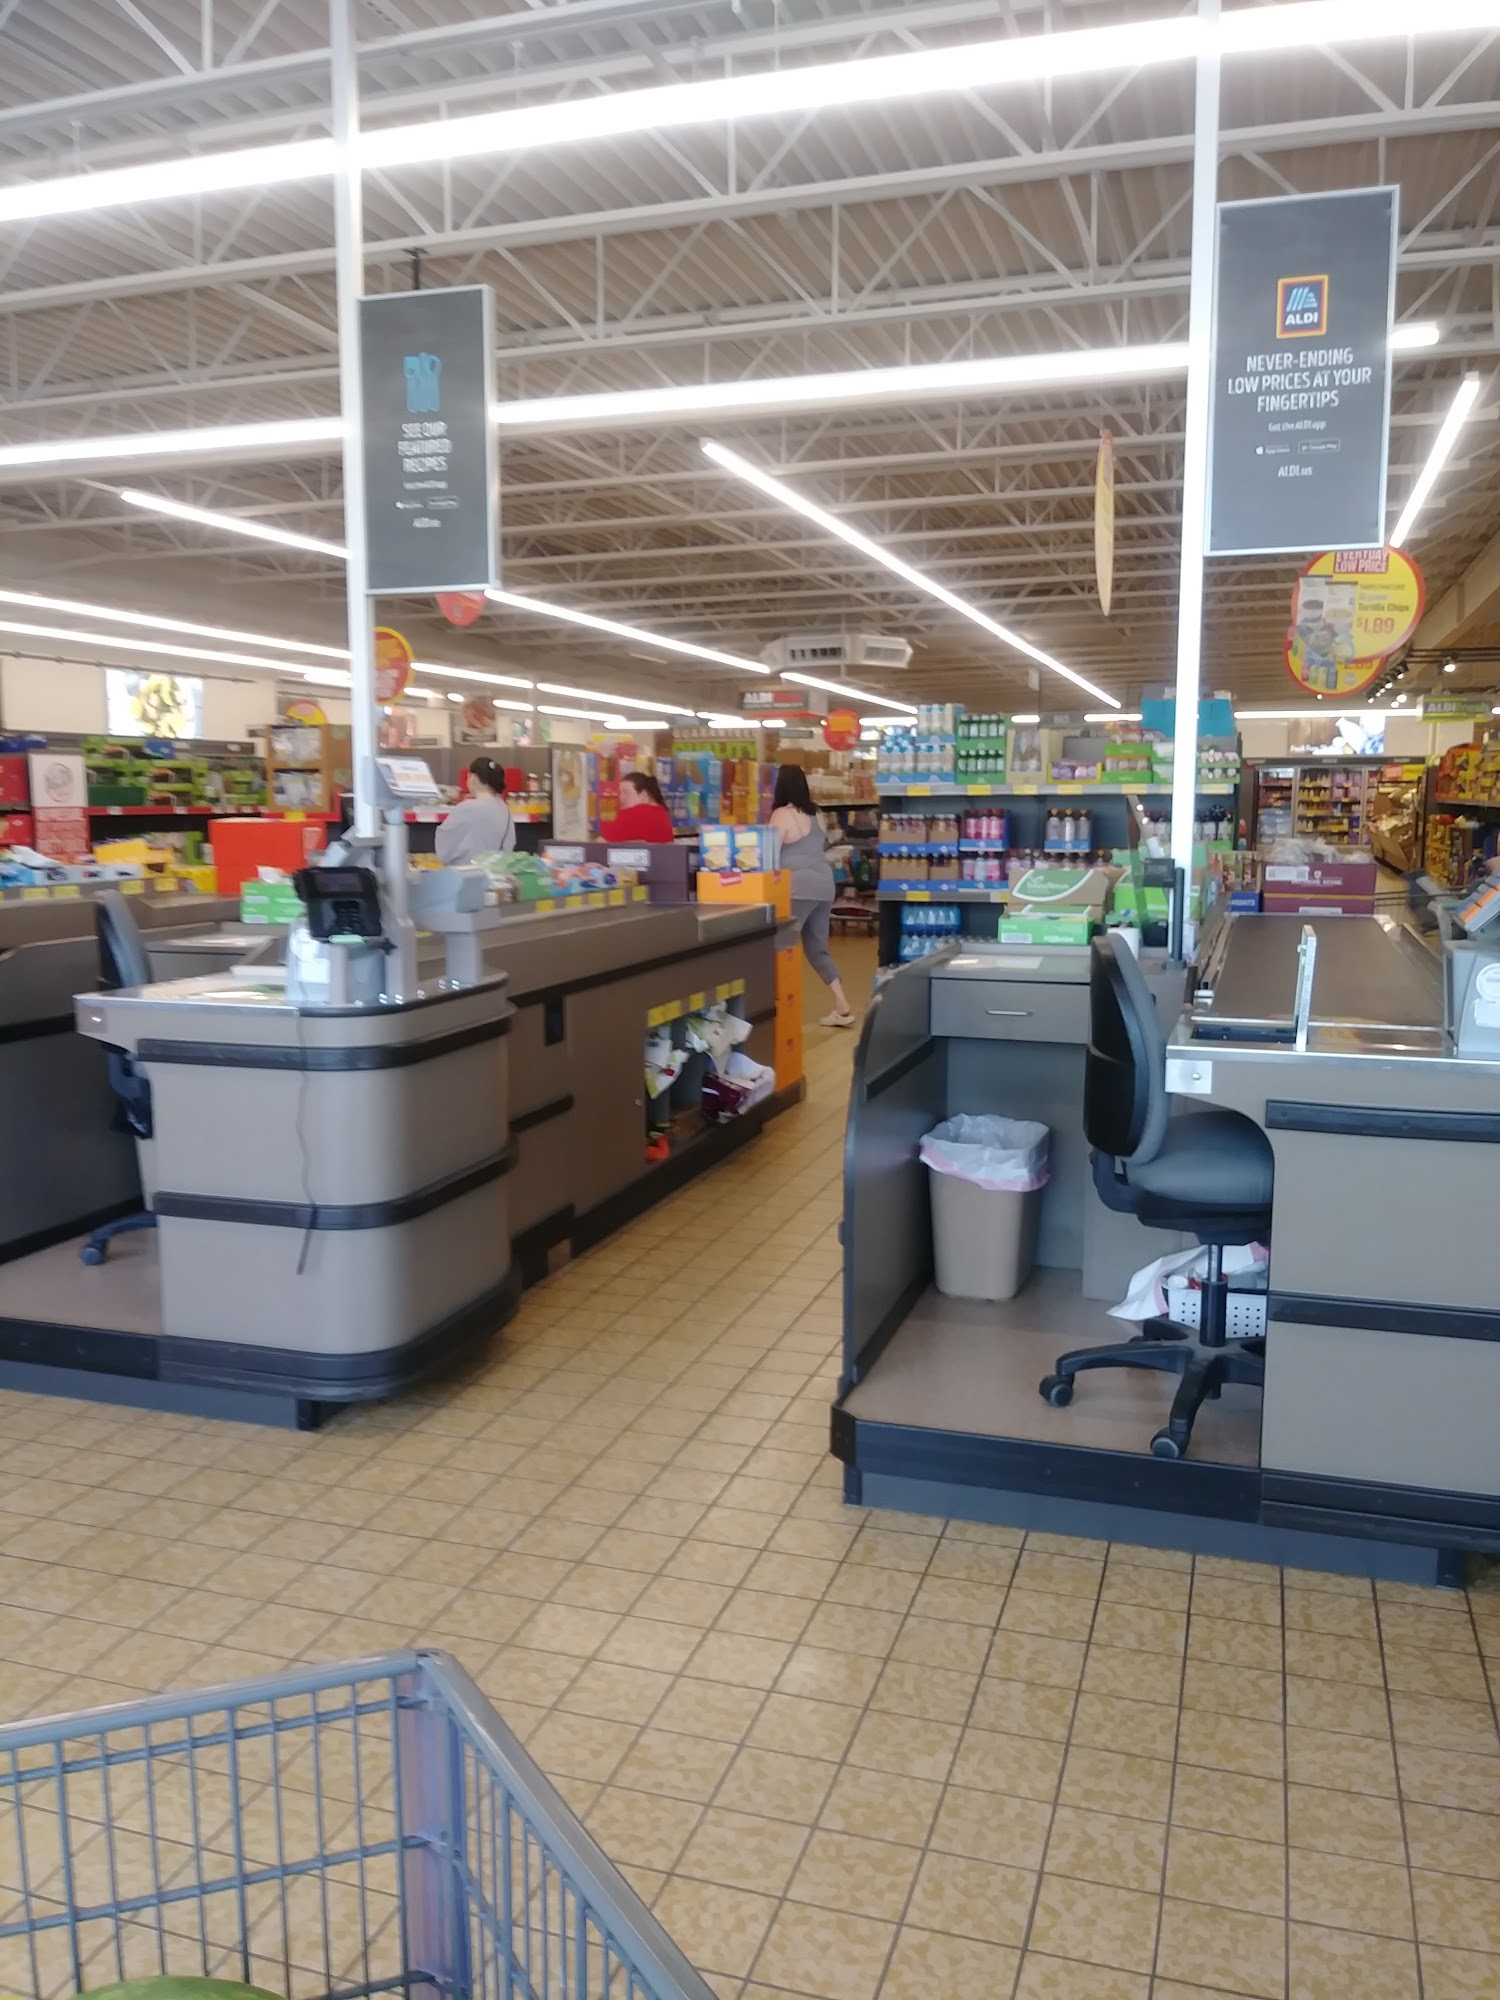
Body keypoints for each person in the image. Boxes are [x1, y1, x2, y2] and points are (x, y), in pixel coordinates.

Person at [769, 764, 856, 1028]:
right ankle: (842, 1006)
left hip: (798, 886)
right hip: (824, 884)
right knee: (818, 949)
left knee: (779, 945)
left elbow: (769, 854)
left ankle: (778, 1005)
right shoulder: (817, 813)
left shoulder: (781, 815)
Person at [435, 756, 516, 864]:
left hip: (467, 870)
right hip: (496, 869)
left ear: (473, 778)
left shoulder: (466, 808)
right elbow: (509, 844)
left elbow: (445, 845)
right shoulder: (504, 808)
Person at [610, 769, 676, 844]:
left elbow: (602, 846)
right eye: (620, 793)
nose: (621, 797)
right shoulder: (662, 813)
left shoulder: (631, 815)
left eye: (626, 792)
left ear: (644, 795)